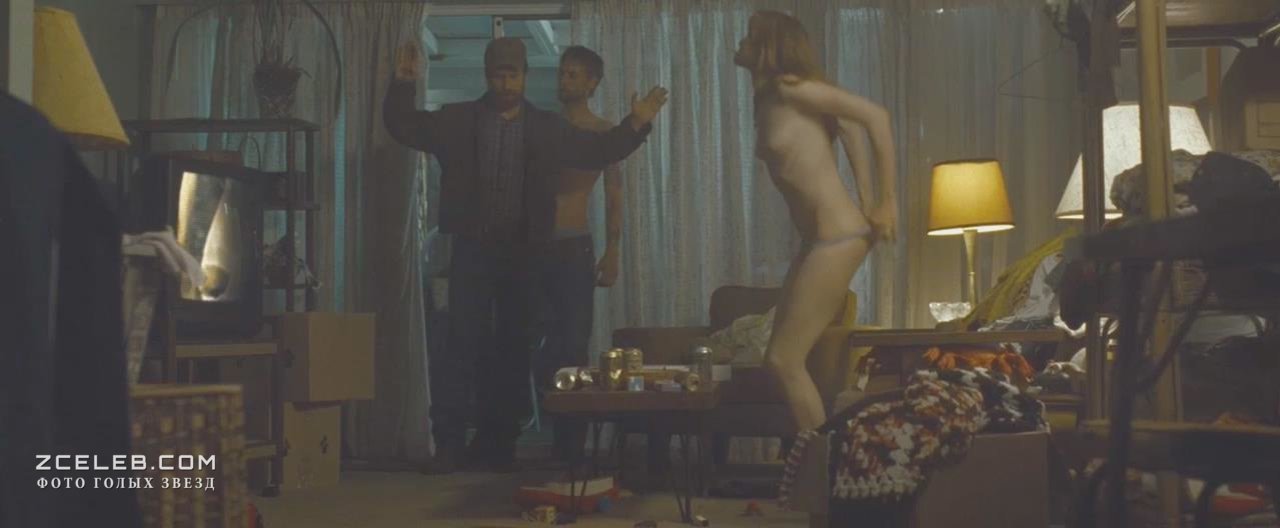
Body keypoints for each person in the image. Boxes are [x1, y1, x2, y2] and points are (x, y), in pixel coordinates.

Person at [384, 37, 669, 474]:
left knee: (513, 348)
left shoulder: (547, 128)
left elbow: (600, 150)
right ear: (486, 75)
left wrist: (636, 122)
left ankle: (500, 442)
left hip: (523, 253)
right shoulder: (457, 120)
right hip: (473, 250)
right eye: (498, 74)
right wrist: (404, 83)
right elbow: (403, 127)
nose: (505, 82)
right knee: (460, 343)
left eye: (512, 74)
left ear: (524, 76)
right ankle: (450, 444)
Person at [733, 11, 898, 433]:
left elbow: (874, 117)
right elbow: (849, 128)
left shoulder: (792, 89)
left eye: (749, 36)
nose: (740, 42)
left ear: (768, 47)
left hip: (837, 239)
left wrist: (885, 203)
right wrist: (866, 199)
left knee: (783, 360)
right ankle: (817, 459)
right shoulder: (768, 98)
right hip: (819, 240)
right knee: (777, 359)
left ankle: (821, 464)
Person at [532, 45, 625, 465]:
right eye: (562, 73)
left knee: (572, 344)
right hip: (533, 246)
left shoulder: (603, 132)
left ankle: (570, 447)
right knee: (536, 345)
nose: (564, 80)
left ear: (591, 83)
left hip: (573, 246)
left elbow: (614, 194)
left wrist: (613, 250)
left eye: (573, 75)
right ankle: (545, 434)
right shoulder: (544, 127)